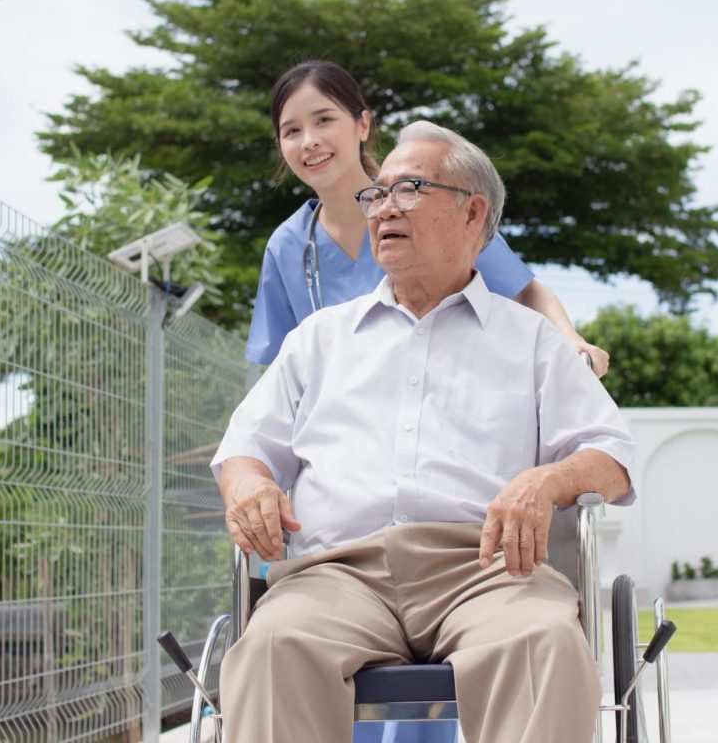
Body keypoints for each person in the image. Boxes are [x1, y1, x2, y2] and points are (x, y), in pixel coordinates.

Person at [212, 121, 635, 743]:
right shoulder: (319, 341)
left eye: (407, 190)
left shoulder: (532, 341)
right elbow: (244, 449)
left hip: (488, 571)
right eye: (376, 195)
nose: (383, 209)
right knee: (273, 646)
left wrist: (551, 479)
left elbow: (612, 457)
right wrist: (248, 485)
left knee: (544, 644)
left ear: (472, 214)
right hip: (337, 574)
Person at [246, 59, 610, 377]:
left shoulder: (430, 200)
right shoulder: (287, 246)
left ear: (363, 125)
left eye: (324, 120)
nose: (309, 140)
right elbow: (279, 366)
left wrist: (572, 341)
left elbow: (524, 291)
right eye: (291, 131)